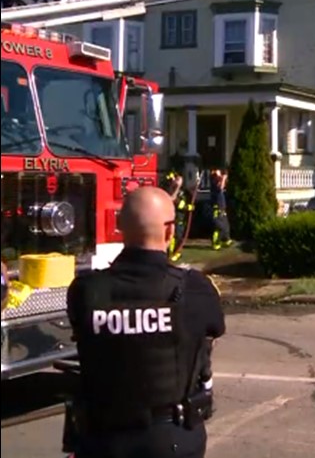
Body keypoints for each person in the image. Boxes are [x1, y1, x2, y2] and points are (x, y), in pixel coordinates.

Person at [65, 186, 225, 458]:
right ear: (170, 231)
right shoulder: (196, 288)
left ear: (119, 226)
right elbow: (213, 333)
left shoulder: (84, 290)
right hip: (172, 440)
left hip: (102, 439)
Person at [160, 170, 192, 262]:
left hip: (180, 218)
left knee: (178, 236)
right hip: (174, 217)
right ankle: (171, 253)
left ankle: (176, 252)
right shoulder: (169, 188)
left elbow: (183, 200)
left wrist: (188, 206)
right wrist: (186, 207)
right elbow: (173, 200)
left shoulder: (183, 191)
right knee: (173, 236)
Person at [209, 170, 233, 251]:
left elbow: (223, 186)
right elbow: (220, 187)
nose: (220, 177)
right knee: (218, 227)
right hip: (217, 210)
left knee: (226, 226)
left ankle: (226, 240)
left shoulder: (218, 184)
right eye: (218, 176)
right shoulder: (214, 186)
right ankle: (215, 243)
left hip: (222, 209)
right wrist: (224, 177)